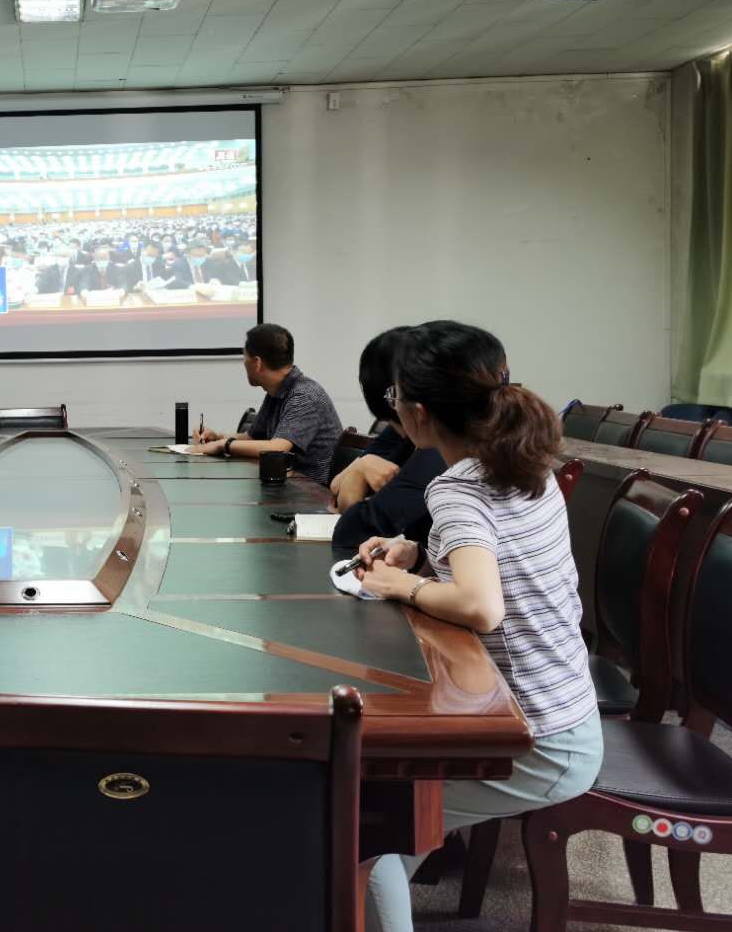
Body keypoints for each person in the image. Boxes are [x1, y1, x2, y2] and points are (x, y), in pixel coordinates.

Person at [356, 321, 601, 932]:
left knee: (364, 825)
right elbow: (502, 559)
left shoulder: (456, 488)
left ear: (415, 413)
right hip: (564, 712)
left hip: (535, 740)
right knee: (389, 824)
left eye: (393, 398)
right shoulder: (526, 460)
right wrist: (420, 554)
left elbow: (482, 605)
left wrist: (402, 585)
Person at [329, 328, 444, 551]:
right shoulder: (403, 434)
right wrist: (361, 468)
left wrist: (359, 473)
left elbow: (354, 532)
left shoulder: (436, 448)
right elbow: (338, 488)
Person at [189, 323, 343, 484]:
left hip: (312, 493)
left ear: (257, 363)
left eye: (244, 357)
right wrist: (217, 437)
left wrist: (223, 445)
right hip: (285, 484)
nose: (244, 362)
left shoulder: (305, 394)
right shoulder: (276, 392)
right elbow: (251, 437)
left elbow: (277, 448)